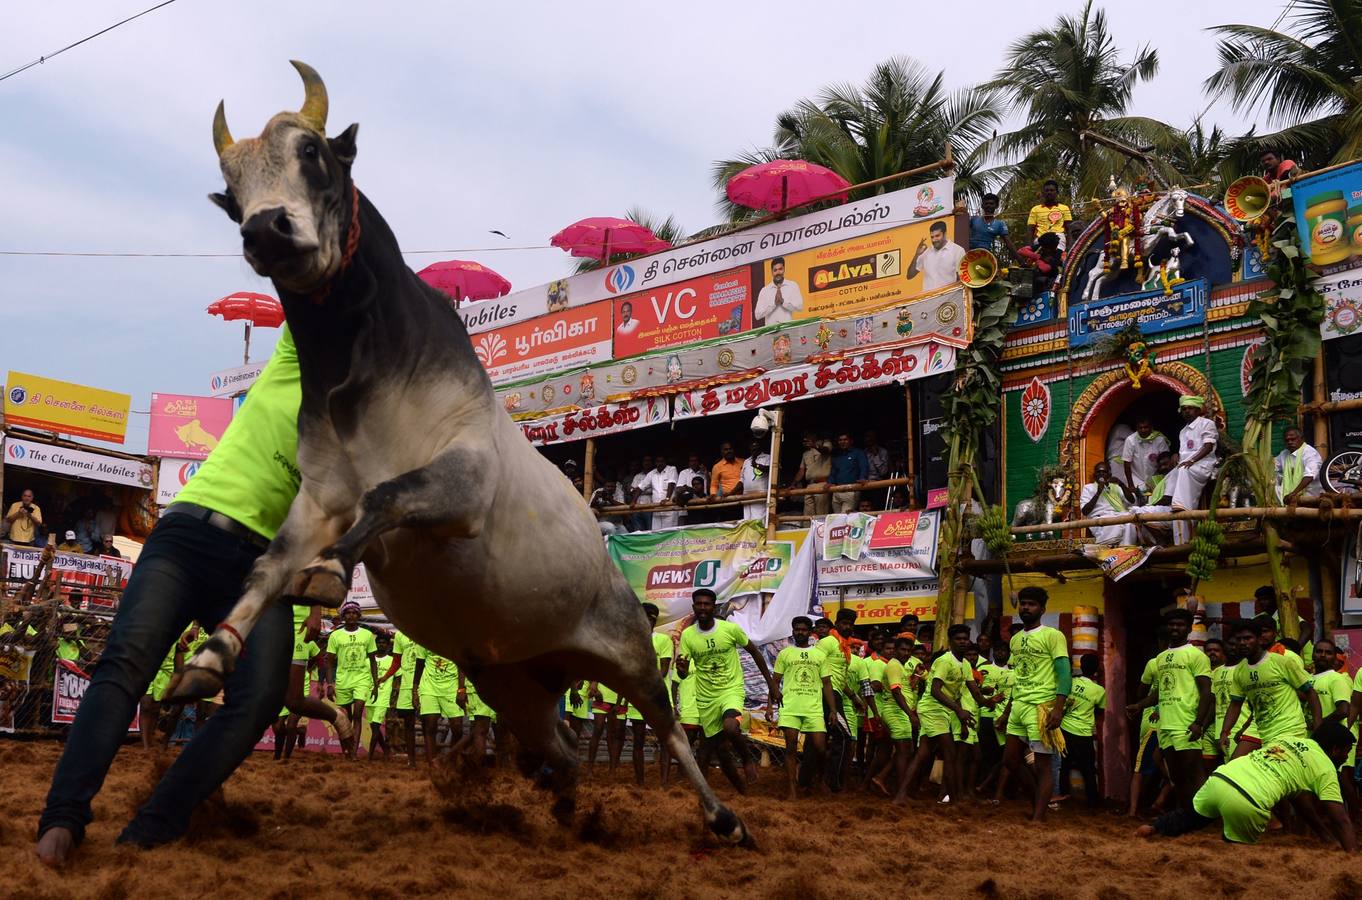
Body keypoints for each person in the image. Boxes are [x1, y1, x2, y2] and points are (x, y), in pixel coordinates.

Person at [34, 326, 348, 865]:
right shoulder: (301, 355)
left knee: (262, 698)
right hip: (188, 535)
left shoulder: (362, 437)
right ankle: (63, 817)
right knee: (125, 667)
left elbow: (331, 535)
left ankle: (156, 823)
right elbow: (314, 284)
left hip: (259, 574)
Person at [1140, 723, 1356, 850]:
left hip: (1219, 780)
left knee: (1192, 817)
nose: (1347, 757)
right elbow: (1341, 819)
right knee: (1235, 855)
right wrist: (1352, 855)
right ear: (1336, 749)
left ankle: (1154, 828)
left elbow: (1300, 803)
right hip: (1248, 801)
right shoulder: (1326, 768)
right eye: (1346, 751)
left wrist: (1324, 836)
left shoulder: (1289, 740)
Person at [678, 588, 779, 791]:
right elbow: (683, 672)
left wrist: (772, 686)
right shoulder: (688, 636)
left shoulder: (729, 630)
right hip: (706, 697)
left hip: (730, 690)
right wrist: (681, 670)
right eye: (699, 604)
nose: (703, 607)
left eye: (707, 604)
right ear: (693, 607)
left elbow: (756, 654)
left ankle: (747, 759)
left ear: (714, 607)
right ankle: (741, 790)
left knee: (731, 727)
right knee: (719, 752)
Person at [996, 586, 1070, 821]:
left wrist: (1058, 707)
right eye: (1023, 603)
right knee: (1010, 760)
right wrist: (1007, 712)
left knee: (1043, 766)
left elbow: (1064, 672)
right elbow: (1017, 678)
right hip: (1018, 705)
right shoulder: (1015, 640)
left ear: (1042, 609)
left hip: (1041, 706)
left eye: (1031, 604)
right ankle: (1039, 802)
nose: (1026, 607)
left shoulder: (1053, 635)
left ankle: (1038, 817)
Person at [1128, 609, 1213, 815]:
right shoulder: (1162, 657)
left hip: (1186, 723)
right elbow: (1160, 690)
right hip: (1164, 724)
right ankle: (1184, 815)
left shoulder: (1196, 656)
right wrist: (1141, 705)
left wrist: (1199, 723)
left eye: (1180, 624)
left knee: (1194, 773)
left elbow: (1206, 692)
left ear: (1189, 627)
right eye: (1172, 624)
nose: (1175, 628)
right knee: (1176, 776)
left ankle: (1203, 816)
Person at [896, 625, 980, 805]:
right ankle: (954, 799)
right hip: (933, 708)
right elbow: (935, 691)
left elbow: (971, 693)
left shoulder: (965, 664)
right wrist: (959, 711)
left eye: (965, 638)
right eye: (959, 639)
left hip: (942, 710)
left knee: (923, 754)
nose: (963, 642)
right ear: (950, 641)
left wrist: (990, 701)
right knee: (950, 753)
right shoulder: (944, 661)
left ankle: (902, 795)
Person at [1220, 619, 1321, 752]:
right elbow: (1235, 703)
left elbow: (1309, 692)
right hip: (1262, 730)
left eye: (1247, 638)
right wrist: (1225, 732)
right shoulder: (1240, 670)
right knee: (1236, 767)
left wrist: (1318, 725)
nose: (1243, 643)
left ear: (1259, 639)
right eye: (1238, 639)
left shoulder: (1282, 662)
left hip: (1289, 729)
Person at [772, 616, 831, 800]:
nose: (800, 632)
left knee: (821, 748)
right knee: (790, 748)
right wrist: (768, 707)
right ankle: (792, 789)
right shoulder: (785, 654)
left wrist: (833, 711)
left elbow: (827, 684)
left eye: (804, 629)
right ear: (793, 631)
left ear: (809, 632)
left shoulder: (819, 655)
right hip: (790, 707)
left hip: (813, 708)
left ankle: (820, 780)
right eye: (797, 629)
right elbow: (775, 681)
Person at [618, 603, 674, 786]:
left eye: (650, 618)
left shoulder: (664, 640)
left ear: (655, 620)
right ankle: (640, 783)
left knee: (666, 742)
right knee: (638, 742)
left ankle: (664, 783)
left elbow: (664, 671)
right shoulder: (630, 641)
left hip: (659, 700)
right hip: (638, 700)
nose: (646, 621)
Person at [817, 608, 870, 791]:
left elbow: (840, 678)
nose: (848, 627)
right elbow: (817, 668)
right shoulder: (828, 643)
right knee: (844, 737)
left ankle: (817, 779)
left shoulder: (845, 647)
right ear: (837, 624)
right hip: (827, 695)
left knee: (823, 740)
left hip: (837, 693)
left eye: (850, 624)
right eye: (844, 624)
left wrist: (854, 696)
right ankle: (833, 782)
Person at [869, 634, 921, 797]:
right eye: (902, 649)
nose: (906, 653)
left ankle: (882, 778)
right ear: (896, 651)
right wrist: (910, 714)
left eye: (908, 650)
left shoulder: (900, 666)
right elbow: (896, 692)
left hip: (899, 712)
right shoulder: (894, 666)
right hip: (894, 711)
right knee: (904, 750)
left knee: (906, 750)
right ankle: (900, 791)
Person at [326, 601, 379, 756]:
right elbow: (329, 663)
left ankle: (354, 752)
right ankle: (347, 751)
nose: (351, 615)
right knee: (345, 718)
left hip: (362, 679)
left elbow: (373, 661)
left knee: (357, 714)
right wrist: (329, 684)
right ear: (343, 616)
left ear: (358, 615)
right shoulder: (335, 635)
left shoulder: (367, 635)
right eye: (348, 613)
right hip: (343, 680)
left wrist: (375, 684)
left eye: (354, 613)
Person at [1164, 396, 1218, 545]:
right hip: (1187, 465)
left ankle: (1180, 503)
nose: (1187, 411)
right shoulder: (1183, 431)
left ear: (1198, 410)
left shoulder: (1207, 424)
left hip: (1203, 464)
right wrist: (1177, 456)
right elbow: (1183, 453)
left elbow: (1208, 447)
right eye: (1184, 409)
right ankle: (1170, 500)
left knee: (1183, 470)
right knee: (1171, 474)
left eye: (1190, 408)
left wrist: (1191, 460)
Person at [1057, 653, 1105, 808]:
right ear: (1097, 669)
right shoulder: (1099, 690)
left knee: (1064, 765)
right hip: (1083, 733)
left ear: (1081, 666)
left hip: (1065, 729)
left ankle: (1063, 794)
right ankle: (1093, 802)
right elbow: (1100, 711)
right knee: (1088, 769)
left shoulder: (1070, 682)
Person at [412, 641, 463, 766]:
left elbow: (462, 665)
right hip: (429, 687)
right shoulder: (424, 639)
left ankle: (450, 759)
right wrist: (414, 690)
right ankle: (432, 762)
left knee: (457, 727)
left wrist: (461, 688)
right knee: (430, 724)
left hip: (451, 687)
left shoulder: (455, 639)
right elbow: (419, 665)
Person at [1078, 461, 1137, 545]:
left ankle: (1126, 550)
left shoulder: (1116, 487)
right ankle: (1110, 545)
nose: (1101, 474)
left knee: (1129, 523)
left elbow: (1132, 500)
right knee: (1118, 524)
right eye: (1099, 472)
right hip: (1100, 520)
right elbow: (1085, 511)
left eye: (1104, 472)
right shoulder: (1088, 488)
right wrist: (1098, 493)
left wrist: (1121, 484)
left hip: (1119, 517)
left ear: (1109, 474)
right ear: (1095, 475)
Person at [389, 629, 420, 767]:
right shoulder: (399, 635)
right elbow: (396, 662)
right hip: (406, 684)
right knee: (408, 723)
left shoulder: (425, 631)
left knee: (428, 721)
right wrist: (384, 677)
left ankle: (432, 760)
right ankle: (412, 761)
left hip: (426, 682)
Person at [907, 220, 966, 291]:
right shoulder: (926, 252)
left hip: (948, 298)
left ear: (945, 234)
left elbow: (962, 280)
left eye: (937, 236)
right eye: (932, 237)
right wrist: (917, 254)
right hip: (929, 299)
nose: (934, 239)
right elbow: (909, 275)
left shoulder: (958, 250)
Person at [1275, 426, 1324, 502]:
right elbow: (1271, 466)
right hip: (1288, 500)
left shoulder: (1310, 453)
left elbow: (1309, 476)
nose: (1290, 442)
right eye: (1287, 440)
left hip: (1311, 499)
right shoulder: (1284, 454)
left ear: (1302, 439)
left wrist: (1293, 493)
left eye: (1293, 439)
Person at [367, 634, 395, 762]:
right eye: (379, 643)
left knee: (376, 726)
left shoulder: (392, 661)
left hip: (383, 697)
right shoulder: (368, 661)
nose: (381, 645)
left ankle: (369, 757)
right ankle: (385, 750)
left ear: (388, 645)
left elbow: (398, 678)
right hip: (369, 697)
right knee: (373, 727)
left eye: (384, 643)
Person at [1121, 418, 1170, 492]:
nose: (1143, 430)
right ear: (1137, 428)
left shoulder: (1159, 440)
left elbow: (1166, 461)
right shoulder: (1130, 440)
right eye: (1140, 428)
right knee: (1137, 499)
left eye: (1146, 427)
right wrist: (1131, 485)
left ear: (1151, 427)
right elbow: (1127, 464)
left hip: (1155, 477)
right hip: (1136, 478)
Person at [754, 256, 803, 325]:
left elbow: (800, 307)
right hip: (771, 332)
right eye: (775, 270)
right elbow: (757, 315)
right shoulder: (764, 291)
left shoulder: (792, 285)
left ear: (784, 269)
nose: (778, 272)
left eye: (780, 269)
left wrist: (783, 302)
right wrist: (773, 304)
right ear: (771, 272)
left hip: (787, 330)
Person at [828, 433, 869, 514]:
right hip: (837, 490)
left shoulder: (858, 453)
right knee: (837, 518)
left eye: (845, 440)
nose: (842, 442)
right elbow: (833, 471)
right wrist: (829, 482)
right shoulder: (837, 456)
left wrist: (863, 478)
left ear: (851, 441)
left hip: (851, 490)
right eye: (840, 440)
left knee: (845, 517)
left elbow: (864, 467)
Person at [793, 432, 832, 518]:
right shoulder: (805, 453)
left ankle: (822, 531)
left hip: (822, 483)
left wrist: (814, 445)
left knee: (821, 514)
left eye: (807, 437)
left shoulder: (826, 444)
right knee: (808, 515)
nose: (806, 439)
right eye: (804, 439)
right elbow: (801, 470)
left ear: (814, 436)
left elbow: (825, 450)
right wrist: (793, 484)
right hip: (810, 485)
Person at [1027, 179, 1073, 249]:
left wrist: (1069, 246)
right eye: (1047, 190)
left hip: (1058, 238)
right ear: (1043, 193)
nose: (1049, 192)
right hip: (1041, 239)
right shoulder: (1035, 209)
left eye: (1052, 190)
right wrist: (1030, 248)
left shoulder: (1064, 208)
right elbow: (1030, 230)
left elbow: (1069, 228)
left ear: (1057, 192)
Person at [645, 453, 680, 529]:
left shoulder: (672, 469)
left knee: (670, 533)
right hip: (657, 509)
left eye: (662, 461)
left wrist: (667, 499)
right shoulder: (651, 473)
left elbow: (671, 484)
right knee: (656, 533)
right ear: (655, 463)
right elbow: (641, 487)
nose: (659, 463)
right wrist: (633, 502)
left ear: (665, 462)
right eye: (658, 461)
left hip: (669, 509)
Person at [739, 440, 771, 523]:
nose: (754, 449)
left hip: (760, 495)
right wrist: (731, 492)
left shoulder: (767, 457)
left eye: (756, 447)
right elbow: (742, 479)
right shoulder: (746, 461)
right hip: (746, 496)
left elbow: (770, 469)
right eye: (752, 448)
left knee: (759, 520)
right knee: (747, 520)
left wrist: (756, 465)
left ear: (760, 448)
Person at [628, 454, 654, 532]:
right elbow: (631, 491)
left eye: (649, 461)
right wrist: (640, 489)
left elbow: (654, 490)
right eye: (645, 461)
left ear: (652, 462)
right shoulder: (638, 476)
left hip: (650, 506)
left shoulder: (655, 474)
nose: (647, 463)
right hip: (637, 505)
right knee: (638, 531)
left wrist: (639, 489)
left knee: (650, 529)